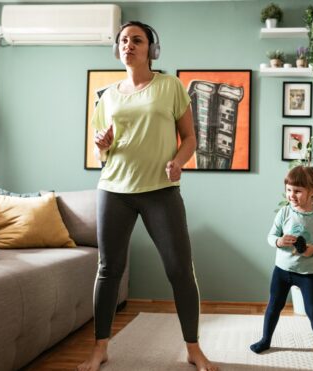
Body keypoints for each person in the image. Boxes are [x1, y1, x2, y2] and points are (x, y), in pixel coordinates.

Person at [77, 21, 218, 371]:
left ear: (151, 49)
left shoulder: (169, 86)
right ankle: (100, 348)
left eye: (136, 40)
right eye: (123, 40)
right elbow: (101, 152)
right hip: (114, 190)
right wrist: (102, 146)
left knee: (180, 270)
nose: (129, 45)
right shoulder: (107, 96)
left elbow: (189, 138)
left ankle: (193, 349)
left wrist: (178, 162)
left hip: (160, 191)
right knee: (109, 270)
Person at [250, 166, 313, 366]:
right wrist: (279, 242)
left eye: (297, 191)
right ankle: (265, 340)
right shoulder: (285, 212)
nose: (291, 195)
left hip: (306, 273)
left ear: (312, 191)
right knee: (274, 306)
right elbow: (271, 236)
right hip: (282, 270)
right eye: (289, 190)